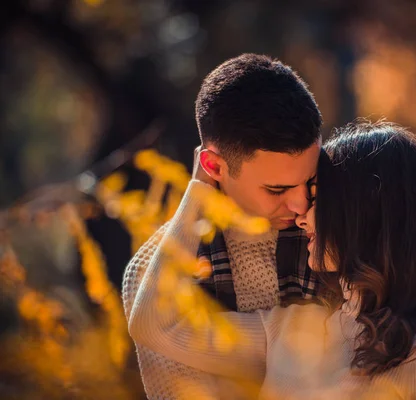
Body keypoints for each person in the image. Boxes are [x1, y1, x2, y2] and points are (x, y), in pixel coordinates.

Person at [128, 121, 416, 399]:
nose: (300, 216)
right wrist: (201, 190)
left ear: (362, 214)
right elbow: (154, 325)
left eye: (315, 199)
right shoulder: (295, 330)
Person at [122, 53, 323, 399]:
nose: (301, 204)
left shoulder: (335, 228)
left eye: (311, 180)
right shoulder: (153, 276)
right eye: (277, 189)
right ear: (213, 167)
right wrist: (198, 196)